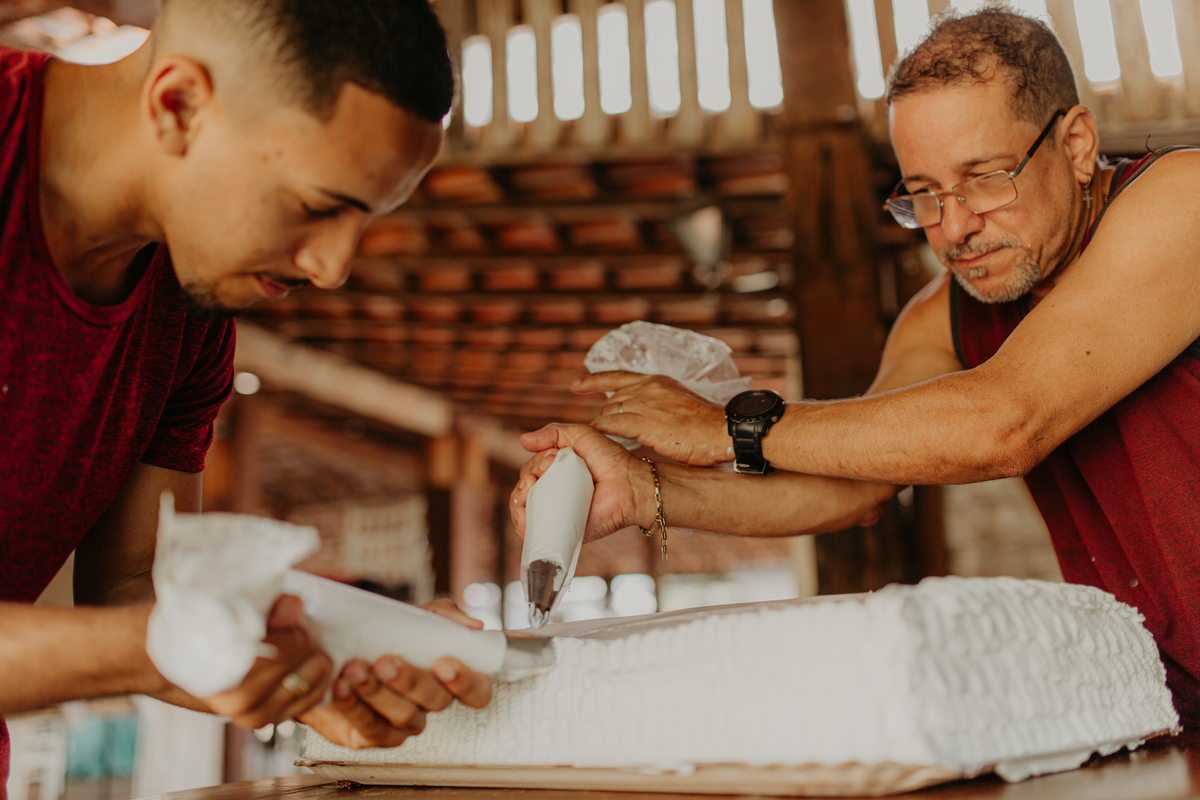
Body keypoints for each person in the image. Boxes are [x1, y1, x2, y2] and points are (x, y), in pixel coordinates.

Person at [512, 7, 1200, 723]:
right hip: (1166, 705)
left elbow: (1005, 418)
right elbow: (851, 487)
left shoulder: (1184, 198)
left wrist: (725, 427)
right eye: (924, 194)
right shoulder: (948, 315)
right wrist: (646, 488)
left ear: (1079, 143)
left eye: (986, 178)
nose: (955, 226)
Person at [0, 0, 493, 787]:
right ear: (179, 105)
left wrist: (340, 654)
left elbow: (134, 594)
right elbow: (153, 636)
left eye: (366, 219)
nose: (334, 267)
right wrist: (169, 646)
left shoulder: (189, 323)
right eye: (317, 205)